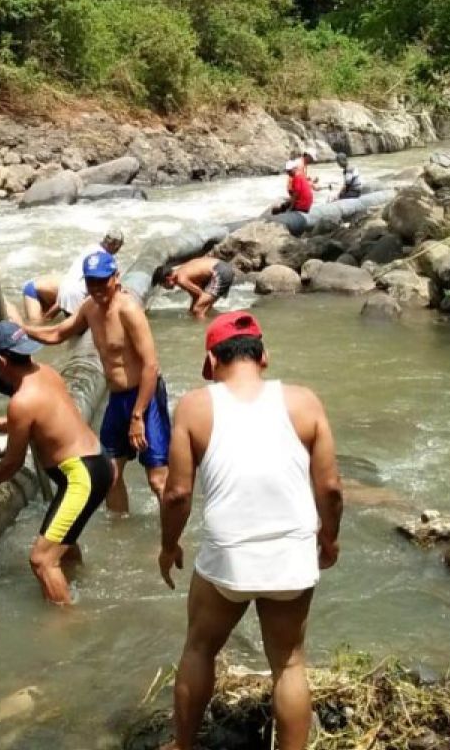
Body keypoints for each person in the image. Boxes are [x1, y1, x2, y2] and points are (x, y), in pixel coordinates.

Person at [158, 311, 343, 750]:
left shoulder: (194, 406)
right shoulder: (305, 402)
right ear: (265, 356)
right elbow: (331, 487)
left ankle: (184, 746)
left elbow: (177, 493)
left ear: (211, 360)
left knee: (200, 648)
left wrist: (168, 545)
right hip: (290, 554)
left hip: (228, 556)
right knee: (290, 665)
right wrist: (329, 537)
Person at [0, 321, 112, 605]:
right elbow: (30, 422)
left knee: (42, 560)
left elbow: (12, 463)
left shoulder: (21, 400)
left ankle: (68, 630)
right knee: (62, 546)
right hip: (96, 462)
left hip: (81, 478)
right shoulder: (46, 373)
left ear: (0, 360)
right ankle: (77, 587)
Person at [28, 251, 169, 514]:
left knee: (157, 480)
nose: (97, 288)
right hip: (117, 399)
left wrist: (138, 415)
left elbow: (151, 365)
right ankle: (122, 532)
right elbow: (58, 333)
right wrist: (23, 331)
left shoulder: (128, 309)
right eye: (91, 282)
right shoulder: (90, 307)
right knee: (110, 476)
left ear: (115, 278)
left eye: (102, 281)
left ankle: (170, 541)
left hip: (144, 397)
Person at [56, 227, 125, 316]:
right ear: (114, 244)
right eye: (118, 246)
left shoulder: (91, 247)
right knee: (80, 326)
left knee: (70, 323)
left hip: (63, 288)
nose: (117, 249)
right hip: (77, 294)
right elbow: (113, 282)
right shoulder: (105, 257)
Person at [156, 257, 236, 320]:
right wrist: (191, 310)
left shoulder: (181, 279)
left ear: (168, 279)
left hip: (220, 272)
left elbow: (199, 294)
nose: (164, 288)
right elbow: (196, 296)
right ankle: (218, 321)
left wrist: (193, 310)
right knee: (205, 308)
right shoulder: (181, 271)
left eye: (162, 284)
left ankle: (203, 332)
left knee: (198, 309)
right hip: (223, 268)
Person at [269, 160, 312, 236]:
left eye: (289, 171)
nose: (288, 173)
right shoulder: (301, 176)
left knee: (279, 208)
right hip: (306, 204)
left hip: (302, 205)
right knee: (284, 205)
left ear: (294, 169)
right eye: (287, 172)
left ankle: (274, 221)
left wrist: (291, 208)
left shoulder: (296, 178)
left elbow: (296, 195)